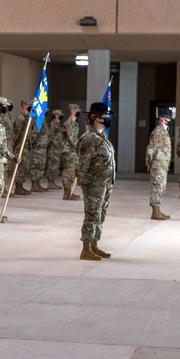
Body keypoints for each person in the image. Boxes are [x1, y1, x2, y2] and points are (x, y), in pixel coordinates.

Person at [78, 102, 116, 260]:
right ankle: (86, 248)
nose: (108, 119)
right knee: (92, 214)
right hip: (94, 184)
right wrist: (86, 184)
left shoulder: (102, 136)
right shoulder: (89, 138)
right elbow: (82, 164)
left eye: (108, 116)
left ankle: (94, 245)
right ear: (95, 118)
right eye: (104, 117)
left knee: (101, 214)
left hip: (105, 183)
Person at [145, 107, 173, 220]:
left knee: (161, 187)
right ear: (162, 119)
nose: (170, 120)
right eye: (168, 118)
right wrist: (148, 161)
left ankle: (158, 210)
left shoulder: (164, 132)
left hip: (163, 164)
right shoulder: (158, 132)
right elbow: (151, 148)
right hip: (157, 164)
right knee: (157, 187)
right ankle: (155, 212)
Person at [61, 104, 82, 200]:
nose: (79, 112)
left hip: (72, 151)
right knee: (68, 172)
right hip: (68, 151)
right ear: (73, 112)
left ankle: (69, 192)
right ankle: (67, 193)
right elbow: (72, 138)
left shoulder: (75, 123)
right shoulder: (68, 124)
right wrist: (80, 148)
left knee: (72, 172)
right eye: (77, 111)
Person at [45, 109, 64, 190]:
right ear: (56, 115)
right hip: (53, 148)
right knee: (52, 165)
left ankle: (52, 182)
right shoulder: (53, 124)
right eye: (60, 115)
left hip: (58, 149)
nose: (61, 116)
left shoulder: (58, 124)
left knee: (55, 166)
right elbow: (50, 136)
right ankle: (50, 182)